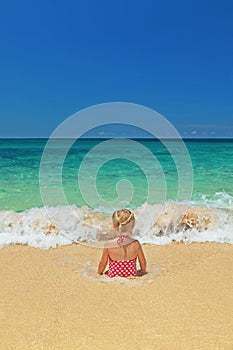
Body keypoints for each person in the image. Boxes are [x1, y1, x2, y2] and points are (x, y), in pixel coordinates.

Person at [98, 209, 147, 278]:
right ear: (132, 227)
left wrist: (99, 273)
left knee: (107, 273)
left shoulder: (109, 245)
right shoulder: (136, 244)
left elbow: (102, 264)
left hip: (113, 276)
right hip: (131, 275)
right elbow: (143, 263)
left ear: (114, 227)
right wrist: (142, 271)